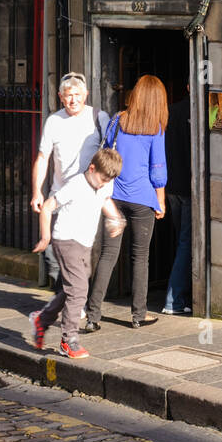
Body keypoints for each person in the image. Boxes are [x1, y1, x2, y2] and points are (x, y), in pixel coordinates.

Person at [83, 75, 168, 331]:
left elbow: (107, 153)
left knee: (108, 255)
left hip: (114, 197)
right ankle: (139, 315)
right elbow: (157, 168)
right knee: (140, 257)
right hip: (142, 199)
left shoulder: (118, 120)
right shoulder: (155, 128)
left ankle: (92, 316)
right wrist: (160, 200)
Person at [29, 147, 124, 359]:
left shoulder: (103, 185)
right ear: (92, 168)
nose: (104, 184)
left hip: (84, 244)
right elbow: (47, 207)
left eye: (108, 181)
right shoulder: (76, 185)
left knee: (70, 289)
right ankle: (68, 340)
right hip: (66, 240)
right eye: (102, 179)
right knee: (79, 290)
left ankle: (43, 320)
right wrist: (45, 237)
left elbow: (105, 200)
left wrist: (116, 219)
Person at [31, 72, 110, 288]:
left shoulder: (99, 118)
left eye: (77, 94)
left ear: (86, 94)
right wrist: (37, 191)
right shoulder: (54, 121)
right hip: (59, 199)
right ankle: (68, 299)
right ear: (60, 97)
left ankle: (72, 300)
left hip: (87, 203)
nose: (73, 100)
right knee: (54, 261)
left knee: (81, 262)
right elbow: (42, 158)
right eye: (68, 95)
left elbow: (110, 156)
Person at [162, 90, 192, 315]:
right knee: (186, 243)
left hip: (171, 186)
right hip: (189, 189)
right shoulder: (200, 111)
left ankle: (181, 295)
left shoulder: (170, 112)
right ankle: (174, 301)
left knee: (182, 242)